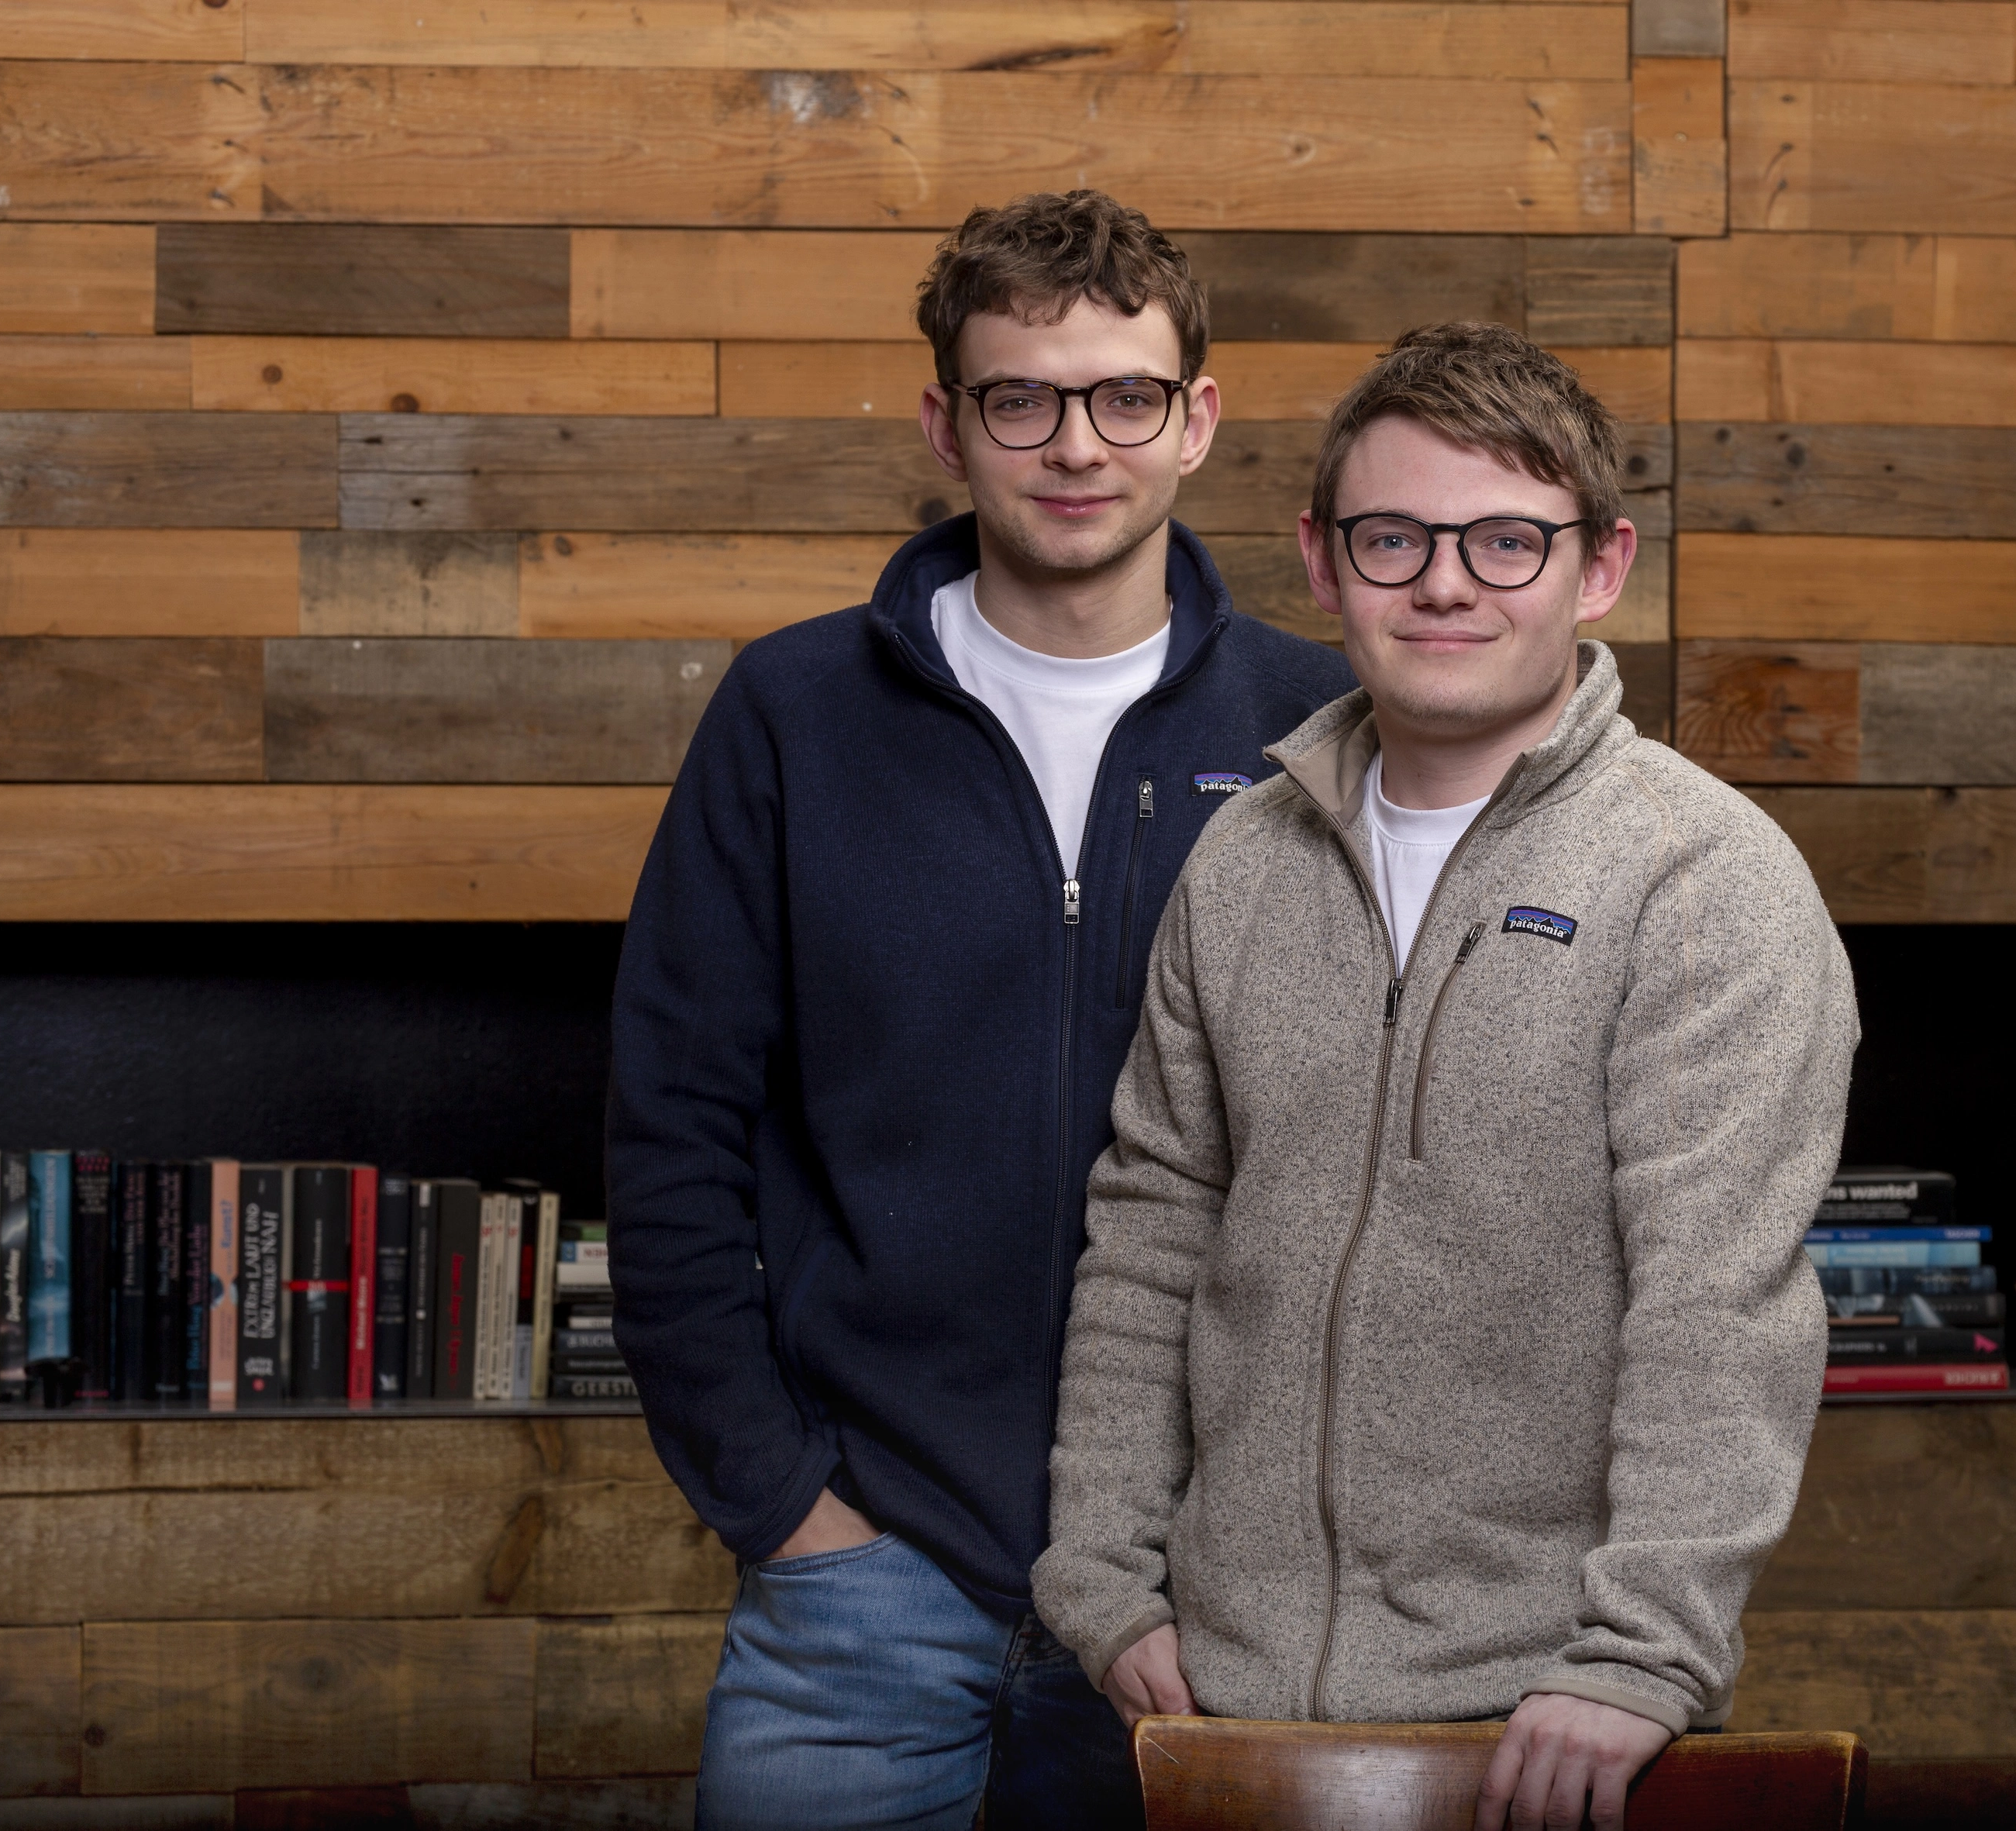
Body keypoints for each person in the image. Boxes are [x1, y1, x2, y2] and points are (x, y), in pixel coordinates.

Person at [1033, 322, 1858, 1830]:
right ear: (1325, 560)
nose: (1446, 581)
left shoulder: (1703, 880)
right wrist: (1099, 1576)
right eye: (1396, 535)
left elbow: (1717, 1305)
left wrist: (1637, 1656)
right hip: (1212, 1702)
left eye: (1505, 540)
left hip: (1547, 1722)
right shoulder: (1243, 860)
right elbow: (1150, 1229)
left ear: (1598, 565)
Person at [606, 191, 1354, 1829]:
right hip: (864, 1582)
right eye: (1022, 397)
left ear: (1196, 419)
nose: (1074, 446)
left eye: (1123, 397)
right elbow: (669, 1133)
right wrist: (786, 1504)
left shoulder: (1322, 731)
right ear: (946, 421)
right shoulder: (792, 711)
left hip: (1210, 1590)